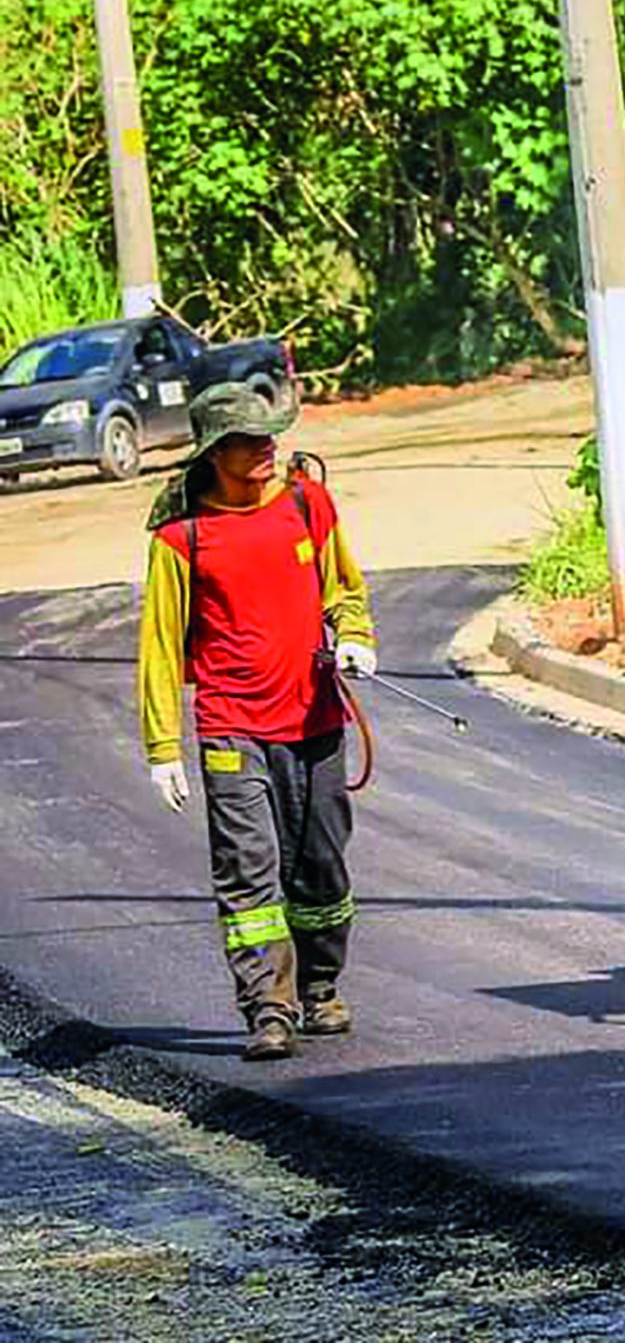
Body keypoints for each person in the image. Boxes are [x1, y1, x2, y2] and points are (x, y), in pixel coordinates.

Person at [137, 383, 375, 1062]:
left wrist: (354, 633)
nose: (268, 446)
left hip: (316, 720)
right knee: (247, 875)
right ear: (215, 453)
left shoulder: (307, 503)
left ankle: (321, 987)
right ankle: (268, 1008)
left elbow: (345, 587)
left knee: (321, 869)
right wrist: (163, 746)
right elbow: (158, 644)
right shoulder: (181, 538)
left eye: (271, 433)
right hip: (231, 727)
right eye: (250, 438)